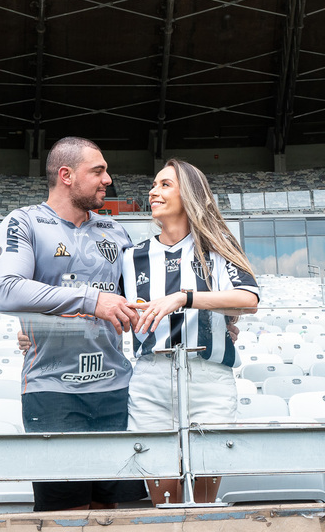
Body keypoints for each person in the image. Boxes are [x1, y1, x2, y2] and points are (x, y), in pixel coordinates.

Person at [0, 136, 146, 512]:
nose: (108, 179)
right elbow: (6, 290)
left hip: (116, 389)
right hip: (53, 390)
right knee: (65, 516)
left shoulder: (115, 231)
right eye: (98, 171)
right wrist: (92, 301)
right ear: (66, 175)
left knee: (114, 512)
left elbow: (141, 299)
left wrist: (216, 317)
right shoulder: (24, 222)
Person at [122, 158, 260, 505]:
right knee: (165, 498)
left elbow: (248, 299)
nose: (153, 191)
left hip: (208, 379)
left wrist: (184, 298)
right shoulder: (131, 256)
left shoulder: (218, 247)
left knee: (203, 500)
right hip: (151, 379)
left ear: (191, 195)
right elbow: (106, 306)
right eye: (153, 184)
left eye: (165, 184)